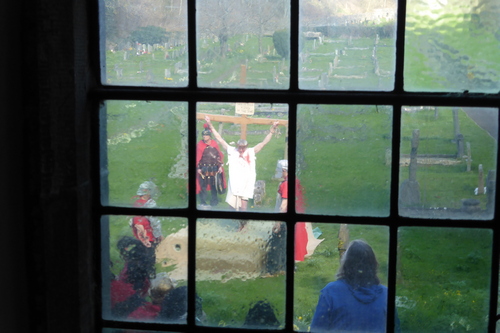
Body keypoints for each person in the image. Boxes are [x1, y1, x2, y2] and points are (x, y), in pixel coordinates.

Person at [310, 239, 400, 332]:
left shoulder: (331, 292)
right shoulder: (386, 295)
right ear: (373, 264)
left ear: (346, 263)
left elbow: (316, 329)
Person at [204, 115, 280, 212]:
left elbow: (263, 143)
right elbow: (219, 138)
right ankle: (234, 223)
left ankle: (243, 225)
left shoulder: (251, 152)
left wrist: (272, 129)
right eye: (239, 147)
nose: (241, 149)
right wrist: (210, 124)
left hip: (246, 183)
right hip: (234, 182)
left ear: (246, 146)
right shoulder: (232, 151)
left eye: (243, 147)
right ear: (237, 146)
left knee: (243, 206)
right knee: (231, 206)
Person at [110, 236, 160, 320]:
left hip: (130, 301)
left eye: (122, 251)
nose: (122, 254)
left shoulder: (132, 269)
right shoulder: (138, 264)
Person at [275, 160, 308, 262]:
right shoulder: (295, 180)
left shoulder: (286, 184)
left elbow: (284, 204)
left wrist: (278, 222)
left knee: (281, 243)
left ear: (284, 170)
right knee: (296, 241)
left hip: (288, 216)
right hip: (298, 213)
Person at [196, 124, 226, 207]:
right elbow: (197, 157)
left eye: (206, 135)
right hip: (203, 168)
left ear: (209, 136)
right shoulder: (200, 144)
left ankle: (214, 201)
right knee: (203, 186)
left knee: (214, 185)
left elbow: (218, 155)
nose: (204, 137)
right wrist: (198, 168)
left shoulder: (214, 144)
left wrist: (220, 166)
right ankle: (203, 201)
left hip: (214, 168)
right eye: (203, 135)